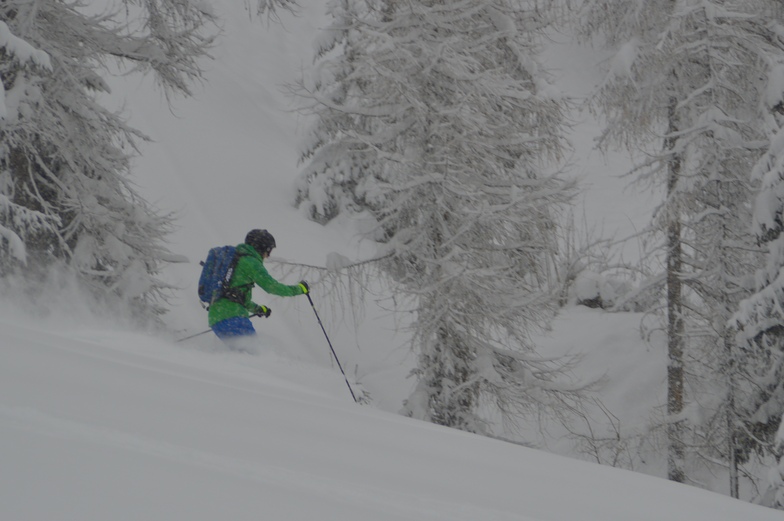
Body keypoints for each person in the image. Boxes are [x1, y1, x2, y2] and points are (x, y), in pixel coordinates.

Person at [208, 229, 309, 346]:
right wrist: (300, 289)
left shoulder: (237, 259)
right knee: (255, 357)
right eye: (268, 250)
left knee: (242, 358)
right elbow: (273, 287)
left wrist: (258, 309)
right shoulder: (251, 262)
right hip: (233, 318)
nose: (268, 255)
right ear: (261, 248)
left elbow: (235, 297)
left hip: (217, 318)